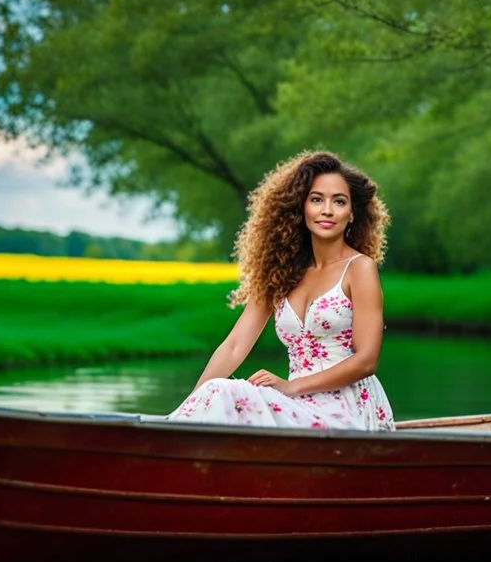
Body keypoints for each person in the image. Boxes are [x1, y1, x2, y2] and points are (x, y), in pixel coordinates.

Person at [166, 150, 395, 431]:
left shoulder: (360, 268)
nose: (326, 210)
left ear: (351, 214)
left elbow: (366, 361)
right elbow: (235, 345)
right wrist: (190, 407)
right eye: (316, 199)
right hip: (296, 405)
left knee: (233, 394)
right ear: (301, 208)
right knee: (220, 391)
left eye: (339, 201)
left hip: (345, 406)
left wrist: (290, 387)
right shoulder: (282, 272)